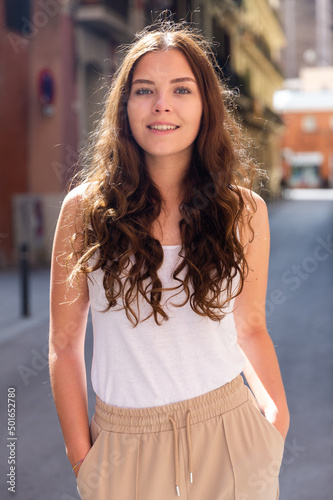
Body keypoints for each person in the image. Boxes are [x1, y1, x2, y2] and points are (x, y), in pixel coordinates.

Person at [49, 15, 290, 500]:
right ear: (124, 105)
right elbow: (65, 344)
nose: (162, 105)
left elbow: (251, 327)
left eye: (181, 89)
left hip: (232, 435)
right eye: (144, 91)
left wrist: (276, 423)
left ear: (205, 106)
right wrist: (83, 460)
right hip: (125, 447)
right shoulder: (84, 211)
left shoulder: (245, 212)